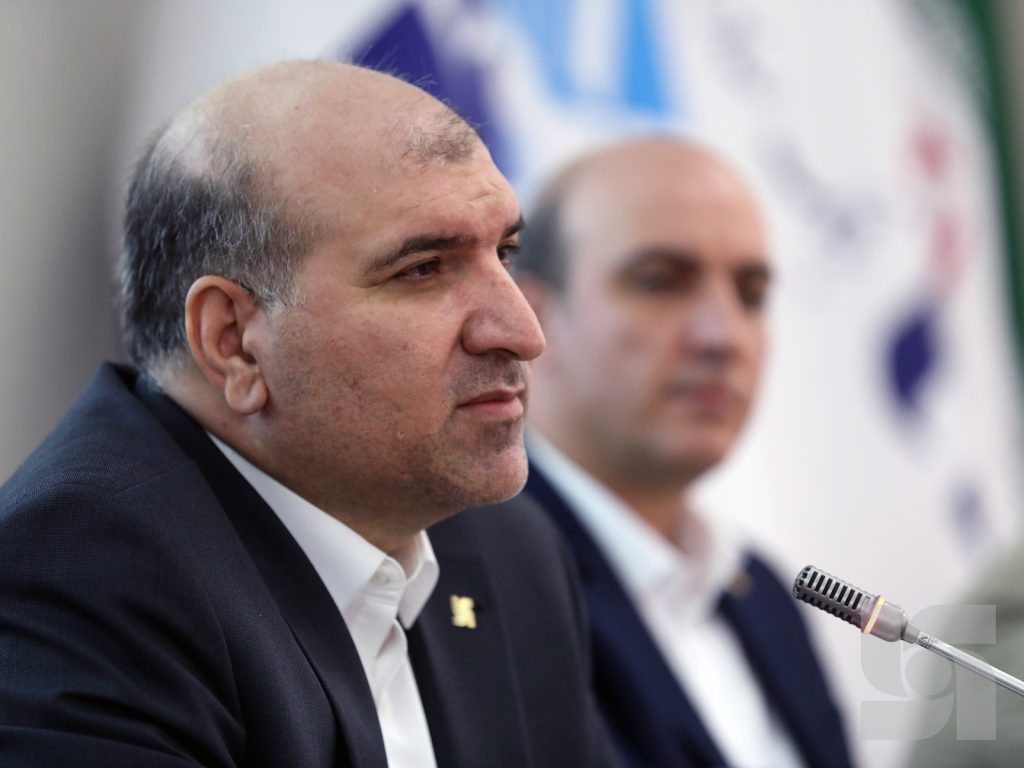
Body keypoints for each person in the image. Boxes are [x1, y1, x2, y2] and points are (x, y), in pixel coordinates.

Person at [0, 60, 616, 768]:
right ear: (234, 343)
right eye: (423, 268)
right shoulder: (80, 575)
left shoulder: (509, 548)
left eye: (505, 253)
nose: (523, 332)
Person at [514, 137, 854, 768]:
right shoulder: (482, 582)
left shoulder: (762, 593)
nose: (724, 336)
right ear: (535, 317)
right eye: (661, 282)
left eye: (751, 294)